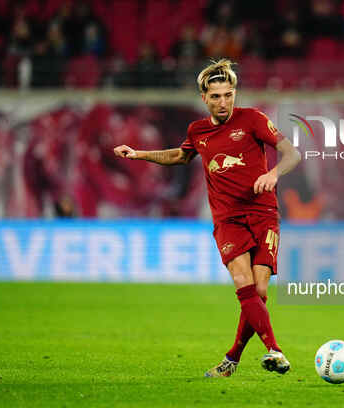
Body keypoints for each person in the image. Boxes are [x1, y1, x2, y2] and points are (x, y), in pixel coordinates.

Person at [113, 59, 301, 377]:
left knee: (261, 291)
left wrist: (273, 173)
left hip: (263, 213)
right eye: (216, 97)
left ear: (235, 93)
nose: (223, 102)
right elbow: (180, 156)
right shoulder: (198, 131)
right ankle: (275, 350)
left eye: (228, 95)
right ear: (205, 98)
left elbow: (292, 153)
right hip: (227, 219)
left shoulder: (253, 120)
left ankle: (231, 361)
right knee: (244, 284)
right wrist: (140, 154)